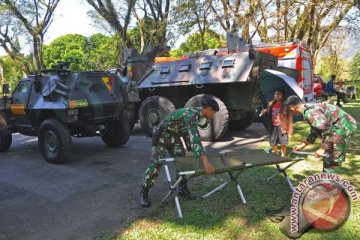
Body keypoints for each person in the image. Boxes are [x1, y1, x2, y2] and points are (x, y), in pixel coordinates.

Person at [139, 98, 219, 207]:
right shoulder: (192, 114)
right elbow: (194, 138)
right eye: (213, 112)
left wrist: (191, 151)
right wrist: (205, 161)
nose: (213, 115)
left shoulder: (197, 115)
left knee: (184, 162)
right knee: (156, 164)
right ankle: (144, 192)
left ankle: (183, 189)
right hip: (162, 135)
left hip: (174, 136)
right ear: (208, 109)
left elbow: (187, 135)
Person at [284, 95, 357, 173]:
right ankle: (327, 178)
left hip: (343, 128)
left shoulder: (310, 113)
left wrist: (323, 148)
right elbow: (315, 130)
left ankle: (329, 180)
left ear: (291, 109)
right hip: (336, 128)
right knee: (328, 154)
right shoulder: (307, 108)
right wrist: (303, 145)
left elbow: (328, 130)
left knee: (332, 157)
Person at [261, 89, 293, 156]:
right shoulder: (271, 104)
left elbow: (290, 118)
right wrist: (264, 112)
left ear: (282, 96)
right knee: (272, 142)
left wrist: (290, 131)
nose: (277, 96)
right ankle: (277, 154)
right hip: (273, 126)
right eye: (276, 94)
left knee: (283, 143)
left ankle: (283, 156)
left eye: (279, 94)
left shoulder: (285, 106)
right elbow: (268, 113)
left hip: (282, 127)